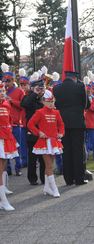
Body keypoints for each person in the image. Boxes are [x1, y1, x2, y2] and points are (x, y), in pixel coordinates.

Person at [53, 71, 90, 186]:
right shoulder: (79, 87)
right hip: (77, 123)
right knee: (78, 151)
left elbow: (57, 105)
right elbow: (86, 105)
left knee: (66, 151)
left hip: (63, 123)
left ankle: (68, 179)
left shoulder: (57, 88)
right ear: (75, 78)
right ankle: (79, 178)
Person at [27, 90, 64, 198]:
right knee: (49, 166)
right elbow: (30, 124)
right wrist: (39, 133)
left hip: (54, 142)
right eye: (49, 101)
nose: (51, 104)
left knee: (50, 165)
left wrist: (61, 133)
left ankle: (47, 188)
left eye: (52, 101)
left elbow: (61, 124)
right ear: (43, 102)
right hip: (44, 142)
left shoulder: (57, 112)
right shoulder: (40, 112)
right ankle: (54, 188)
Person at [21, 73, 46, 185]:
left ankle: (44, 178)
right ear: (32, 88)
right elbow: (25, 104)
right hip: (32, 132)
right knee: (32, 157)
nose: (40, 90)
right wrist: (34, 93)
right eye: (37, 88)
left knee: (43, 158)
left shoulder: (43, 99)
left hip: (43, 131)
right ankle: (32, 179)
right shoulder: (28, 97)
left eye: (41, 88)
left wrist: (42, 94)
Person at [2, 63, 24, 176]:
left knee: (17, 147)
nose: (6, 83)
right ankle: (8, 169)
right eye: (5, 81)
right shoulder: (2, 91)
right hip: (5, 125)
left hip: (16, 124)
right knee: (5, 147)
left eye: (9, 81)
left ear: (12, 80)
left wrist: (11, 101)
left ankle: (18, 167)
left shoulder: (19, 91)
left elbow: (23, 105)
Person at [0, 81, 17, 211]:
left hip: (6, 138)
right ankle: (3, 200)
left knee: (4, 162)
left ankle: (3, 191)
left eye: (3, 92)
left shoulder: (6, 105)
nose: (2, 94)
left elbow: (9, 120)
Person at [85, 82, 94, 161]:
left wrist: (89, 104)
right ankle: (86, 156)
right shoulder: (84, 98)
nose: (88, 92)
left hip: (92, 123)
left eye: (89, 90)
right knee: (85, 142)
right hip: (84, 123)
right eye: (87, 91)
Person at [18, 69, 30, 168]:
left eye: (24, 84)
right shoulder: (23, 94)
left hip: (29, 122)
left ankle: (30, 160)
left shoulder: (29, 94)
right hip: (23, 122)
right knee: (23, 144)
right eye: (21, 85)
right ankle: (25, 161)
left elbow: (21, 106)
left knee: (30, 143)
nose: (23, 86)